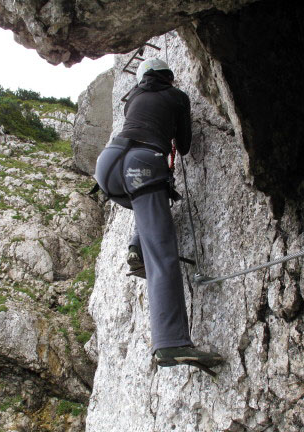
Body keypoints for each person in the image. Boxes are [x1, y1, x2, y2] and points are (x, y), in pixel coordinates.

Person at [94, 58, 224, 376]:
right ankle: (171, 342)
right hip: (144, 163)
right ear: (168, 77)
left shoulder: (134, 99)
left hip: (108, 166)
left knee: (148, 205)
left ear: (142, 78)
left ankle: (136, 248)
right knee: (162, 255)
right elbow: (186, 146)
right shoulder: (176, 96)